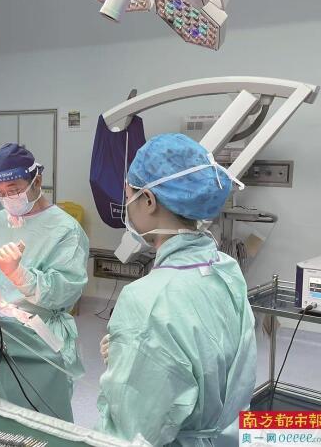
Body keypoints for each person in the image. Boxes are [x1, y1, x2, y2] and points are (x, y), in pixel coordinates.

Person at [97, 134, 256, 446]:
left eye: (128, 195)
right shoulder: (225, 268)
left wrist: (131, 363)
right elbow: (205, 357)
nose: (127, 205)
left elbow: (134, 430)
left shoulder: (146, 299)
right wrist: (131, 352)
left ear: (148, 200)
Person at [0, 143, 89, 420]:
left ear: (36, 181)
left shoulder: (66, 230)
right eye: (0, 192)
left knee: (43, 416)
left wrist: (18, 274)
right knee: (3, 413)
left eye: (14, 189)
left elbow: (65, 293)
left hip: (41, 336)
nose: (7, 198)